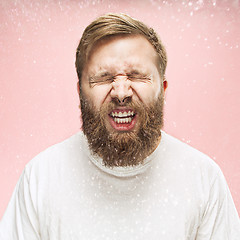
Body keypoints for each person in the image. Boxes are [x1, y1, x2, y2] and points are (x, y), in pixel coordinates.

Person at [0, 13, 239, 240]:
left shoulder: (203, 179)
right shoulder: (40, 177)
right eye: (104, 78)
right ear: (80, 91)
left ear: (163, 90)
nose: (121, 93)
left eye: (136, 75)